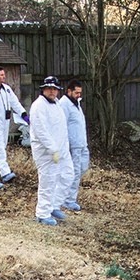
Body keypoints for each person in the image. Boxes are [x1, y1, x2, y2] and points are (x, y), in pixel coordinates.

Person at [29, 76, 74, 226]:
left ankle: (54, 205)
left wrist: (63, 149)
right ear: (43, 89)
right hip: (45, 152)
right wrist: (52, 149)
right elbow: (41, 131)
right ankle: (42, 213)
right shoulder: (38, 106)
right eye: (49, 88)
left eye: (54, 89)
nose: (52, 91)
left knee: (67, 176)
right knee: (48, 181)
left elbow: (61, 128)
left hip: (61, 150)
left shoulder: (57, 104)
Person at [58, 79, 89, 211]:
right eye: (76, 93)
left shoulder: (76, 103)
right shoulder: (64, 104)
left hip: (82, 143)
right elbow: (61, 125)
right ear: (69, 91)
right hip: (73, 144)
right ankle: (68, 199)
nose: (78, 95)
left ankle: (66, 196)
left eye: (80, 93)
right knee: (74, 172)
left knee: (83, 168)